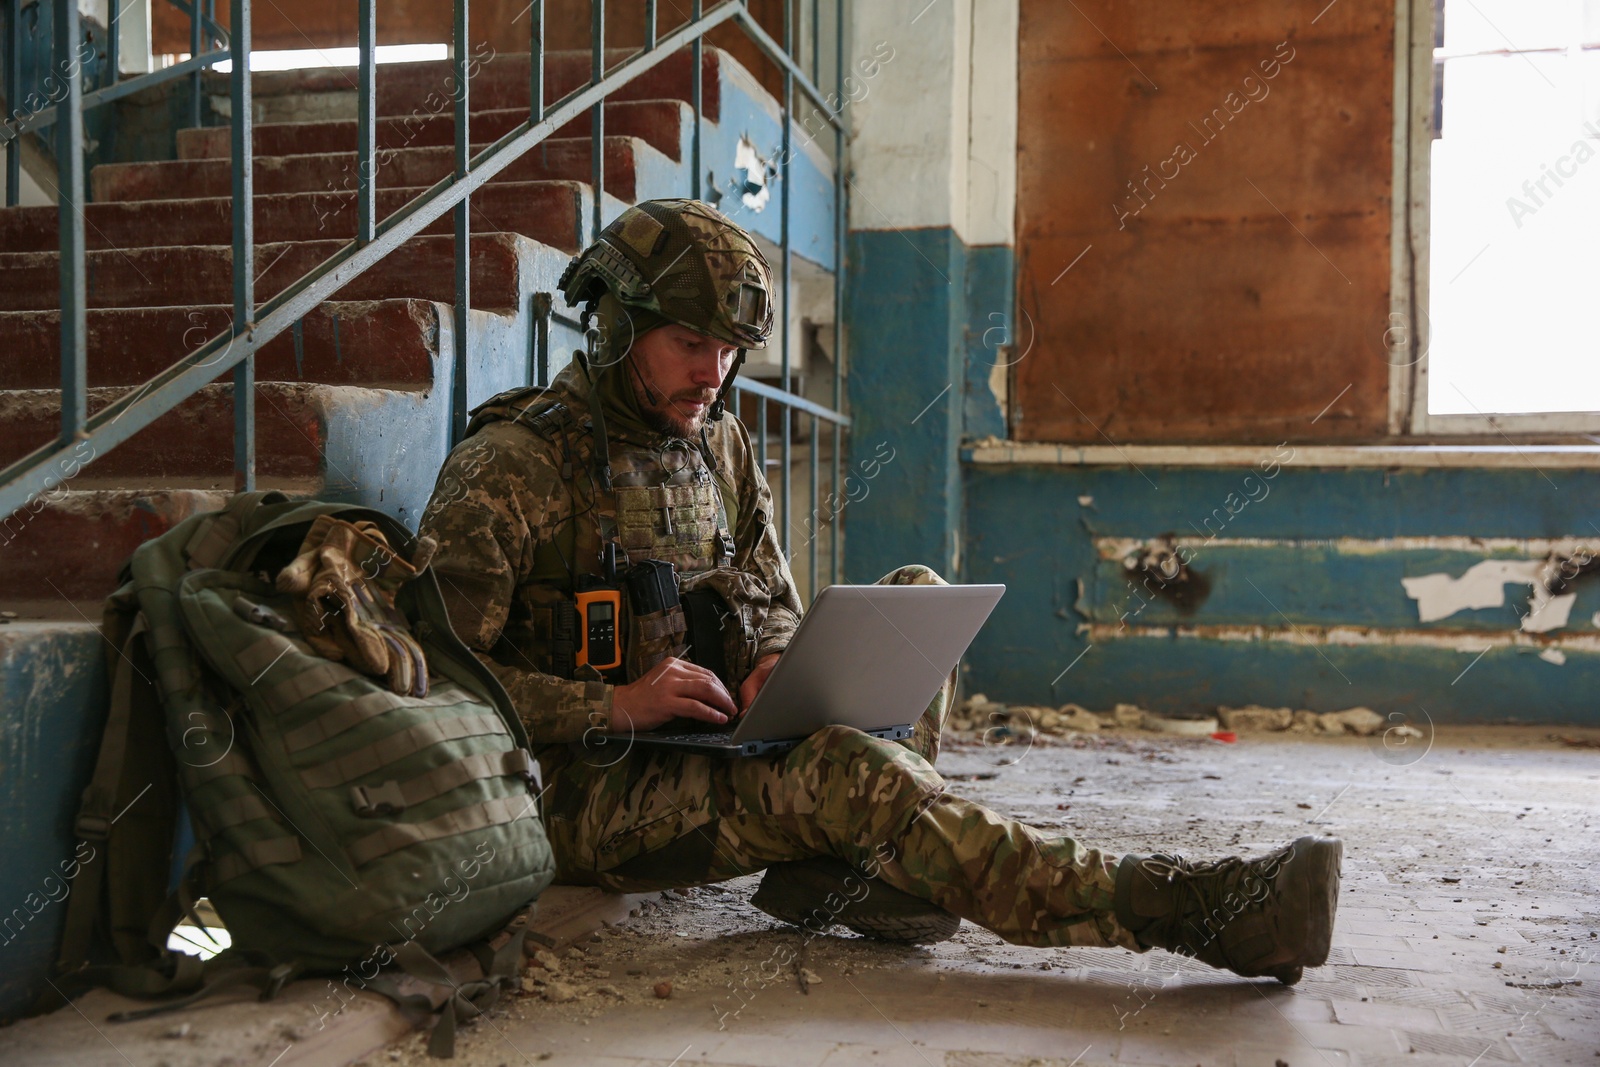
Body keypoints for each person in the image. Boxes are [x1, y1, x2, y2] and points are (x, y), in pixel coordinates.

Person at [418, 198, 1342, 984]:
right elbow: (432, 688)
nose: (715, 374)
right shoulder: (512, 467)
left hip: (710, 740)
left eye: (731, 349)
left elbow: (769, 588)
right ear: (616, 328)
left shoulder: (719, 444)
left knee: (913, 596)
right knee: (855, 772)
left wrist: (779, 657)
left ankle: (856, 854)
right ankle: (1190, 908)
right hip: (583, 790)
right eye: (689, 343)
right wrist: (613, 701)